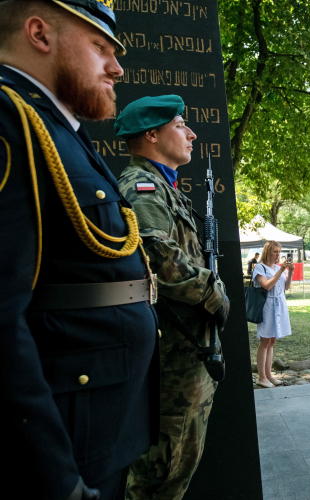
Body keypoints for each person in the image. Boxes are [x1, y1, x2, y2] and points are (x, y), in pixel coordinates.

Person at [0, 1, 159, 498]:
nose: (116, 66)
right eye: (100, 47)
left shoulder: (56, 127)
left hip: (98, 420)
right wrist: (57, 479)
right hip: (64, 439)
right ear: (39, 33)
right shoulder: (10, 122)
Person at [115, 95, 229, 499]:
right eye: (181, 125)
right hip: (171, 362)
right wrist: (214, 291)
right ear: (151, 134)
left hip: (186, 353)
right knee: (160, 478)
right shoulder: (143, 188)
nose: (193, 134)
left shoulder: (165, 187)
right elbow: (156, 257)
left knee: (176, 471)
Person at [253, 240, 294, 388]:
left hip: (279, 304)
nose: (278, 254)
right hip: (267, 305)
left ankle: (269, 374)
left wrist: (290, 273)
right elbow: (267, 285)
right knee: (264, 342)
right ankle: (261, 377)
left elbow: (286, 287)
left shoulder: (277, 267)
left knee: (272, 342)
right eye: (275, 251)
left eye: (279, 251)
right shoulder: (260, 267)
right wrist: (281, 271)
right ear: (268, 251)